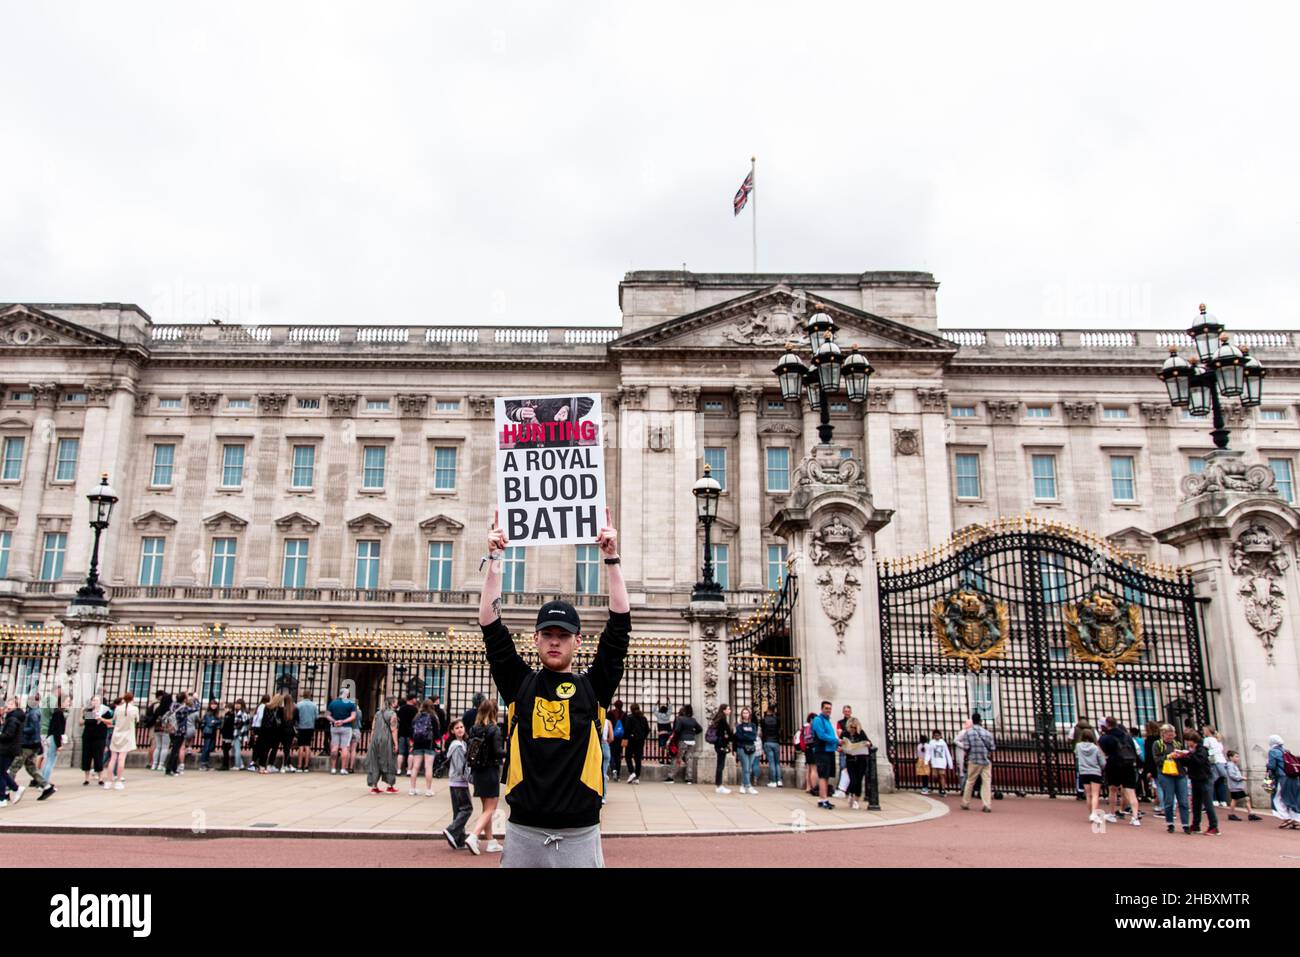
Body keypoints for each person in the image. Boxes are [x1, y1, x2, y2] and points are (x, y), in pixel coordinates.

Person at [476, 509, 630, 867]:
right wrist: (496, 559)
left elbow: (620, 627)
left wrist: (611, 557)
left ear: (578, 641)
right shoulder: (519, 685)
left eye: (563, 636)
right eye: (548, 635)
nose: (555, 642)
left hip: (580, 833)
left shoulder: (594, 688)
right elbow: (490, 625)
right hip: (523, 832)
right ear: (536, 639)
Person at [464, 698, 505, 855]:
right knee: (490, 809)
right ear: (495, 711)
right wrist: (510, 752)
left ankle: (491, 841)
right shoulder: (494, 729)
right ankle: (474, 836)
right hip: (490, 770)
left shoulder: (474, 728)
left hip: (478, 771)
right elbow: (497, 752)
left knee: (485, 808)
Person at [1098, 717, 1141, 825]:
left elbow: (1103, 752)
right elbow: (1134, 750)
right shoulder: (1127, 736)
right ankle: (1135, 817)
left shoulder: (1105, 738)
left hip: (1114, 765)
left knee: (1112, 789)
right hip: (1128, 764)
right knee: (1131, 791)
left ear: (1107, 724)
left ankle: (1112, 814)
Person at [1152, 723, 1190, 833]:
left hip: (1180, 774)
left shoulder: (1177, 744)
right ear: (1163, 734)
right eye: (1169, 735)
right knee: (1169, 800)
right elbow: (1157, 760)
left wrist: (1183, 755)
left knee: (1183, 801)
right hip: (1166, 774)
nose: (1171, 737)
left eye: (1173, 735)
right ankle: (1170, 823)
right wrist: (1169, 756)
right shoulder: (1157, 744)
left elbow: (1184, 762)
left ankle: (1185, 824)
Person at [1180, 729, 1219, 835]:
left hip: (1205, 778)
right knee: (1196, 803)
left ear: (1193, 740)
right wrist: (1180, 757)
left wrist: (1188, 754)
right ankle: (1196, 825)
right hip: (1195, 778)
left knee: (1207, 803)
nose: (1187, 743)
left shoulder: (1202, 750)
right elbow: (1189, 763)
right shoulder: (1194, 751)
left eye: (1188, 740)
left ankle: (1214, 826)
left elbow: (1199, 761)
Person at [442, 719, 472, 849]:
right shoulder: (458, 746)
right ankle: (452, 830)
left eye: (461, 727)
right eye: (457, 728)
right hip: (459, 782)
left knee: (458, 811)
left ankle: (459, 840)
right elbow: (461, 767)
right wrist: (470, 779)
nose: (460, 729)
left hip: (454, 782)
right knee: (467, 809)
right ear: (452, 731)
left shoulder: (461, 744)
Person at [958, 713, 995, 813]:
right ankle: (987, 805)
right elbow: (992, 748)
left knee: (970, 781)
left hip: (973, 760)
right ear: (980, 721)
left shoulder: (968, 733)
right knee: (986, 783)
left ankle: (965, 802)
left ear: (972, 721)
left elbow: (966, 747)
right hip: (985, 761)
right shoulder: (987, 733)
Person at [366, 695, 399, 793]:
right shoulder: (393, 714)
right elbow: (393, 730)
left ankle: (374, 786)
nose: (397, 703)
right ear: (392, 703)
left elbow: (373, 728)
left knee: (375, 761)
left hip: (375, 739)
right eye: (396, 701)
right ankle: (390, 786)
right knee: (389, 760)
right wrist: (396, 743)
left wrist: (371, 740)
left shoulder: (377, 713)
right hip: (386, 740)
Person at [1266, 734, 1300, 828]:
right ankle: (1295, 820)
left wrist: (1267, 766)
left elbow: (1272, 766)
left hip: (1282, 777)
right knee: (1294, 797)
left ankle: (1287, 818)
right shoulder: (1286, 751)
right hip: (1293, 776)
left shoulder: (1273, 751)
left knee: (1277, 798)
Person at [811, 701, 840, 809]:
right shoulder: (818, 720)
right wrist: (836, 740)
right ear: (821, 708)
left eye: (830, 708)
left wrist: (836, 745)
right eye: (826, 708)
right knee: (823, 775)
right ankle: (823, 799)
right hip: (822, 750)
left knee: (827, 775)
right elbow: (822, 735)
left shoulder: (827, 721)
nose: (828, 710)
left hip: (829, 750)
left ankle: (824, 798)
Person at [107, 693, 139, 789]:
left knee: (113, 759)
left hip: (117, 734)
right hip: (127, 735)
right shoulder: (134, 709)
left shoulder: (118, 708)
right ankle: (118, 781)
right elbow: (137, 720)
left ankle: (108, 781)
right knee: (121, 759)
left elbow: (114, 720)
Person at [408, 698, 439, 796]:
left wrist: (412, 743)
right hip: (429, 744)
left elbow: (411, 731)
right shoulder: (433, 717)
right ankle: (428, 790)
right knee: (428, 767)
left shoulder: (416, 717)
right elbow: (437, 732)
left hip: (417, 744)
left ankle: (412, 789)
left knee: (415, 767)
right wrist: (438, 743)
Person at [1075, 727, 1105, 824]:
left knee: (1088, 795)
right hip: (1095, 771)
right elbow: (1102, 762)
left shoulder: (1078, 746)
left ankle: (1092, 813)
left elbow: (1077, 756)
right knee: (1095, 794)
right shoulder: (1096, 747)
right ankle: (1094, 813)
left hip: (1084, 772)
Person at [39, 696, 67, 799]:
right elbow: (57, 730)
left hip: (51, 737)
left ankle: (44, 782)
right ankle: (44, 783)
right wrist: (59, 744)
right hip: (54, 739)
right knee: (50, 761)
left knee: (48, 760)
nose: (69, 703)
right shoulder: (58, 713)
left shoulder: (57, 712)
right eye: (67, 701)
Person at [81, 696, 112, 785]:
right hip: (88, 736)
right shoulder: (88, 711)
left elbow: (111, 721)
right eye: (93, 700)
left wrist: (101, 718)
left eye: (97, 700)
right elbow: (84, 721)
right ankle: (87, 779)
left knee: (98, 757)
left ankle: (100, 778)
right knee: (86, 757)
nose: (95, 702)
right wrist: (83, 713)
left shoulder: (105, 711)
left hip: (99, 737)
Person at [841, 717, 872, 809]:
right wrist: (841, 747)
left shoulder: (861, 733)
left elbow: (869, 742)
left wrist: (868, 744)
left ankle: (856, 800)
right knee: (853, 780)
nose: (852, 730)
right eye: (851, 727)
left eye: (854, 728)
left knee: (859, 780)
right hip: (850, 760)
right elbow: (839, 745)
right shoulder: (845, 733)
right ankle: (851, 793)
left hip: (861, 760)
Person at [0, 696, 25, 806]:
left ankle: (4, 797)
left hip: (7, 749)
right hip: (9, 749)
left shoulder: (13, 719)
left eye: (11, 704)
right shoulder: (12, 717)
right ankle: (11, 791)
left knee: (1, 772)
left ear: (16, 706)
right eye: (7, 704)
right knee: (2, 772)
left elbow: (9, 735)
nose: (8, 706)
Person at [1224, 750, 1261, 821]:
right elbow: (1232, 775)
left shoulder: (1232, 765)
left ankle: (1250, 814)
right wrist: (1241, 778)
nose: (1238, 758)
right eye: (1236, 757)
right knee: (1237, 800)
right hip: (1235, 786)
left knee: (1245, 799)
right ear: (1231, 757)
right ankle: (1233, 814)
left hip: (1237, 786)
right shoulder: (1230, 765)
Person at [326, 689, 357, 774]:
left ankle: (333, 768)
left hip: (334, 727)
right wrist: (343, 721)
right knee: (344, 747)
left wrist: (334, 721)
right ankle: (343, 768)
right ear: (346, 694)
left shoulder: (333, 703)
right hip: (346, 727)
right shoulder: (351, 704)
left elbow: (327, 715)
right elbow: (353, 717)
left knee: (334, 747)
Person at [670, 705, 702, 785]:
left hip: (683, 740)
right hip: (691, 741)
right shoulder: (693, 720)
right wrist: (692, 733)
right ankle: (689, 778)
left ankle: (671, 776)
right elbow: (700, 729)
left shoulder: (680, 719)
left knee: (678, 758)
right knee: (689, 759)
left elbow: (677, 730)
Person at [164, 693, 195, 776]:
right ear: (184, 699)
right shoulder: (184, 708)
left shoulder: (173, 705)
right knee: (175, 751)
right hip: (179, 731)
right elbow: (195, 708)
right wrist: (193, 698)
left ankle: (173, 769)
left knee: (175, 750)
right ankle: (169, 769)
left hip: (172, 730)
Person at [734, 706, 760, 795]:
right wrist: (747, 736)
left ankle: (742, 785)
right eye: (744, 713)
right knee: (746, 767)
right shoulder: (739, 726)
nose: (745, 714)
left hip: (751, 747)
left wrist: (746, 735)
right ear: (741, 715)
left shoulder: (753, 725)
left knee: (749, 768)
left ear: (749, 714)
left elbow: (754, 736)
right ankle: (748, 786)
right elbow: (739, 737)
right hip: (742, 748)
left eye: (747, 713)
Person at [1202, 725, 1229, 806]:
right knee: (1221, 781)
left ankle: (1214, 799)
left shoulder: (1207, 739)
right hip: (1222, 761)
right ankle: (1223, 800)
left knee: (1212, 781)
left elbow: (1205, 750)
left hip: (1213, 761)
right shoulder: (1218, 740)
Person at [711, 703, 734, 794]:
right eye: (728, 709)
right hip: (721, 745)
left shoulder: (719, 719)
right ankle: (719, 785)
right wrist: (729, 738)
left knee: (720, 765)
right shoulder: (722, 720)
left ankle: (719, 785)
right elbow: (724, 733)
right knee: (720, 765)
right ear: (724, 710)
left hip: (719, 744)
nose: (730, 710)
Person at [1141, 719, 1163, 814]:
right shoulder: (1161, 738)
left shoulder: (1148, 741)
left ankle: (1163, 806)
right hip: (1163, 763)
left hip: (1154, 765)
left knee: (1159, 786)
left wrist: (1148, 770)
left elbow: (1148, 757)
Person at [623, 704, 649, 784]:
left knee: (628, 756)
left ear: (631, 709)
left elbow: (627, 729)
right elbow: (647, 729)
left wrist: (625, 738)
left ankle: (632, 772)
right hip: (640, 740)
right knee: (638, 759)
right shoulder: (643, 718)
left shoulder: (630, 717)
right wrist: (643, 737)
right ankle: (637, 777)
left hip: (631, 740)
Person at [147, 691, 173, 771]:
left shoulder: (158, 708)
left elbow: (153, 718)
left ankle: (154, 764)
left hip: (157, 728)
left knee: (158, 747)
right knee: (164, 747)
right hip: (165, 729)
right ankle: (160, 765)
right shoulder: (169, 709)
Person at [395, 691, 418, 779]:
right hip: (411, 734)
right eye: (415, 698)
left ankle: (398, 769)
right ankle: (409, 770)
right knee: (411, 753)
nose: (416, 700)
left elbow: (398, 720)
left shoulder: (401, 708)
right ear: (412, 699)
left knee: (400, 753)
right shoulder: (414, 709)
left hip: (401, 733)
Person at [925, 729, 952, 798]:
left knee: (942, 775)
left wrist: (950, 763)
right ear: (933, 736)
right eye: (935, 735)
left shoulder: (943, 743)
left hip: (942, 762)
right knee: (935, 776)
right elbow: (928, 752)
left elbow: (947, 753)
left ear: (940, 736)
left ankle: (943, 789)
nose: (937, 737)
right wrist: (926, 760)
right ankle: (940, 785)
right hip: (934, 763)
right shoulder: (931, 743)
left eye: (938, 735)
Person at [295, 692, 318, 772]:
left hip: (301, 727)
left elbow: (296, 716)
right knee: (307, 746)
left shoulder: (298, 705)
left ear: (303, 695)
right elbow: (316, 716)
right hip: (310, 727)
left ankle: (299, 765)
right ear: (310, 696)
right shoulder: (314, 705)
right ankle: (306, 766)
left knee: (301, 746)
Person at [761, 707, 783, 788]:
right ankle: (779, 781)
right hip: (776, 742)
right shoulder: (777, 719)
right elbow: (779, 729)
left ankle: (773, 781)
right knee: (777, 762)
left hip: (767, 741)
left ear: (768, 711)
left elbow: (763, 730)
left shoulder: (763, 720)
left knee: (772, 762)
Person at [249, 692, 270, 771]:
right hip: (259, 728)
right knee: (259, 747)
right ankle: (253, 764)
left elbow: (255, 717)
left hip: (256, 727)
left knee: (256, 746)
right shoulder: (263, 706)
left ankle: (253, 763)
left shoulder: (259, 706)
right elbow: (260, 717)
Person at [607, 699, 626, 782]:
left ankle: (613, 769)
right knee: (618, 756)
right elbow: (626, 726)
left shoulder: (610, 713)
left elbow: (606, 723)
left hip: (612, 736)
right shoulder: (624, 714)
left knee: (611, 754)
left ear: (615, 705)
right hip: (620, 737)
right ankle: (618, 775)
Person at [200, 699, 221, 770]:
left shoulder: (215, 713)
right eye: (212, 704)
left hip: (212, 732)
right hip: (208, 732)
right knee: (206, 748)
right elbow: (210, 723)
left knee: (210, 748)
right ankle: (203, 763)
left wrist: (215, 721)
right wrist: (216, 721)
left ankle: (206, 762)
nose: (214, 705)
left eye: (215, 704)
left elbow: (219, 722)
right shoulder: (208, 713)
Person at [231, 700, 250, 771]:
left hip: (239, 733)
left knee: (237, 749)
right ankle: (241, 764)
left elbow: (244, 724)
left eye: (239, 704)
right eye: (236, 703)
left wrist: (240, 732)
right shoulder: (238, 712)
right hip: (238, 732)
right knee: (235, 748)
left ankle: (237, 765)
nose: (237, 705)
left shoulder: (243, 713)